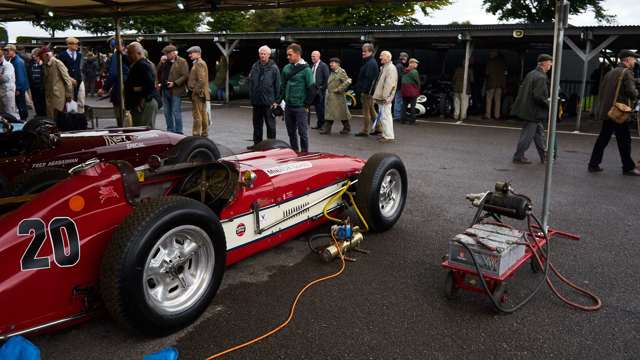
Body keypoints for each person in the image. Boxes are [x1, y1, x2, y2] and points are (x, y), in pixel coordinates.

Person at [588, 50, 640, 176]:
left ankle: (593, 164)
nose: (635, 61)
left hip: (609, 111)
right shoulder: (627, 72)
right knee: (625, 141)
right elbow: (631, 92)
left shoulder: (610, 72)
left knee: (603, 138)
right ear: (627, 60)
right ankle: (628, 167)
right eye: (634, 59)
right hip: (619, 112)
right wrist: (637, 94)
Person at [511, 54, 553, 164]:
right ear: (543, 63)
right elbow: (538, 96)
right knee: (527, 136)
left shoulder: (531, 74)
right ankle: (518, 156)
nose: (551, 64)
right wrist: (548, 104)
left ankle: (544, 156)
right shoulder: (541, 77)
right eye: (549, 62)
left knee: (539, 134)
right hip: (534, 112)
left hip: (529, 110)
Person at [277, 43, 315, 152]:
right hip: (288, 106)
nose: (287, 57)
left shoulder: (306, 70)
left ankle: (304, 154)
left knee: (302, 132)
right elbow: (282, 87)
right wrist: (277, 101)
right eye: (287, 55)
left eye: (290, 55)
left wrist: (307, 105)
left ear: (298, 54)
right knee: (291, 132)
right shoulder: (286, 68)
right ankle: (294, 152)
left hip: (300, 107)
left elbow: (312, 89)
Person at [248, 45, 281, 149]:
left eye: (264, 54)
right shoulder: (255, 66)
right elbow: (251, 83)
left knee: (270, 126)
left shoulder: (274, 68)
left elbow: (278, 85)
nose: (262, 55)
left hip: (269, 102)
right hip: (256, 101)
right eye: (261, 53)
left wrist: (277, 101)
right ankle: (257, 144)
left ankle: (271, 146)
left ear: (269, 55)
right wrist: (251, 96)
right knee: (257, 125)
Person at [124, 42, 159, 128]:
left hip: (144, 103)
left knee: (144, 131)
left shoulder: (142, 64)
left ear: (138, 53)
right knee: (141, 129)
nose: (128, 55)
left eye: (130, 53)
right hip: (142, 102)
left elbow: (150, 84)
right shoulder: (140, 64)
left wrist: (142, 96)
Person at [156, 45, 189, 134]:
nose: (166, 55)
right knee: (167, 112)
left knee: (176, 111)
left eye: (168, 54)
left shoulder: (182, 61)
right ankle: (170, 130)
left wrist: (174, 83)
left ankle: (179, 131)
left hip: (176, 91)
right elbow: (157, 71)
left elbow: (185, 75)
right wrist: (160, 63)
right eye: (165, 54)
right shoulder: (164, 61)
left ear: (174, 53)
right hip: (164, 90)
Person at [99, 38, 129, 127]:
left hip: (120, 88)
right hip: (130, 88)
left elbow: (113, 73)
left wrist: (105, 88)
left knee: (121, 117)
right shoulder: (128, 53)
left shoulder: (117, 55)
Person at [39, 47, 73, 119]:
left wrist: (69, 94)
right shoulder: (45, 65)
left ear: (46, 55)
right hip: (49, 94)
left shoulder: (57, 63)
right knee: (50, 115)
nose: (41, 59)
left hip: (58, 95)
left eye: (42, 57)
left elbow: (67, 80)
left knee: (57, 116)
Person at [372, 50, 398, 143]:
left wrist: (386, 97)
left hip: (384, 98)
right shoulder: (386, 67)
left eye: (381, 56)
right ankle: (385, 134)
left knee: (385, 116)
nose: (380, 57)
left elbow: (390, 85)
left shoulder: (390, 68)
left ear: (387, 57)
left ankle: (388, 136)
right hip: (383, 98)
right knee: (383, 116)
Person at [321, 57, 352, 135]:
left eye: (333, 62)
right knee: (331, 113)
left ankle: (346, 128)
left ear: (338, 64)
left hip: (338, 97)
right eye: (330, 62)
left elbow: (348, 81)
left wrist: (339, 89)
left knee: (341, 113)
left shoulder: (341, 72)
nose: (330, 64)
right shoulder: (333, 72)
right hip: (332, 97)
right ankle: (328, 129)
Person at [355, 43, 379, 137]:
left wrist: (364, 91)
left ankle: (365, 130)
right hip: (369, 92)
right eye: (363, 51)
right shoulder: (370, 62)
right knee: (372, 110)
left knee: (366, 111)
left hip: (367, 92)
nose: (363, 53)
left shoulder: (370, 63)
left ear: (371, 52)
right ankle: (378, 128)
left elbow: (369, 79)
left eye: (365, 51)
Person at [187, 46, 211, 137]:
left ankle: (196, 134)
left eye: (191, 53)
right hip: (201, 93)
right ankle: (204, 133)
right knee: (202, 113)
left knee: (197, 114)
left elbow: (201, 80)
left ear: (198, 53)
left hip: (198, 93)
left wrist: (194, 92)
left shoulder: (199, 63)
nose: (189, 55)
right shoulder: (199, 63)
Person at [4, 45, 29, 120]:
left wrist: (18, 88)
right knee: (20, 106)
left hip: (19, 89)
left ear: (13, 51)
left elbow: (20, 76)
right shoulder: (13, 60)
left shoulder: (17, 61)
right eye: (6, 51)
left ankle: (24, 121)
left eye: (8, 50)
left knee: (21, 106)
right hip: (18, 88)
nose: (6, 52)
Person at [309, 50, 330, 130]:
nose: (312, 58)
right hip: (313, 91)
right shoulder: (312, 66)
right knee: (317, 109)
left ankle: (323, 125)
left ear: (319, 56)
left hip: (320, 91)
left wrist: (322, 88)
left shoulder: (323, 66)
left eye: (314, 56)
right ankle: (319, 124)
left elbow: (327, 79)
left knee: (321, 108)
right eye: (312, 56)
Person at [58, 37, 83, 101]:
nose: (77, 45)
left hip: (78, 80)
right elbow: (60, 70)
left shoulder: (79, 55)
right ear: (69, 45)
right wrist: (69, 78)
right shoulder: (62, 55)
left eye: (77, 44)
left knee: (77, 99)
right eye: (75, 44)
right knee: (68, 100)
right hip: (67, 81)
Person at [485, 51, 506, 120]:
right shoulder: (502, 64)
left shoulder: (490, 62)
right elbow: (504, 74)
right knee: (498, 101)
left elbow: (487, 72)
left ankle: (488, 115)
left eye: (491, 53)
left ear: (494, 54)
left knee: (489, 100)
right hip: (499, 84)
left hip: (491, 84)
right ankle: (497, 115)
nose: (490, 54)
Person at [400, 58, 420, 125]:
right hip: (412, 92)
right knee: (412, 106)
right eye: (416, 63)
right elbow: (417, 81)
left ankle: (403, 120)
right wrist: (419, 88)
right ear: (413, 64)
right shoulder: (414, 72)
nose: (417, 65)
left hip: (404, 91)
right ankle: (412, 121)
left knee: (404, 105)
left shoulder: (404, 70)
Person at [27, 47, 46, 117]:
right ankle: (38, 114)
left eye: (35, 55)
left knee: (42, 102)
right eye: (33, 55)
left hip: (42, 86)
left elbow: (45, 73)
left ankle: (43, 115)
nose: (34, 56)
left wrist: (41, 65)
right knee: (35, 101)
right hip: (33, 85)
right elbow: (29, 73)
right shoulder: (30, 62)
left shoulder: (43, 62)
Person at [0, 48, 18, 118]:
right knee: (2, 113)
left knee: (10, 113)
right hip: (1, 91)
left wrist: (1, 76)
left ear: (1, 57)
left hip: (8, 92)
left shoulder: (8, 65)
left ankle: (16, 126)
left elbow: (5, 78)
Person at [394, 52, 409, 121]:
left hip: (398, 86)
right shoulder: (400, 66)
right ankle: (397, 116)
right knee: (398, 101)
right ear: (404, 57)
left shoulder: (398, 65)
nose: (406, 59)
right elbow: (400, 77)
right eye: (406, 57)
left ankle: (398, 115)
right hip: (399, 86)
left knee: (398, 101)